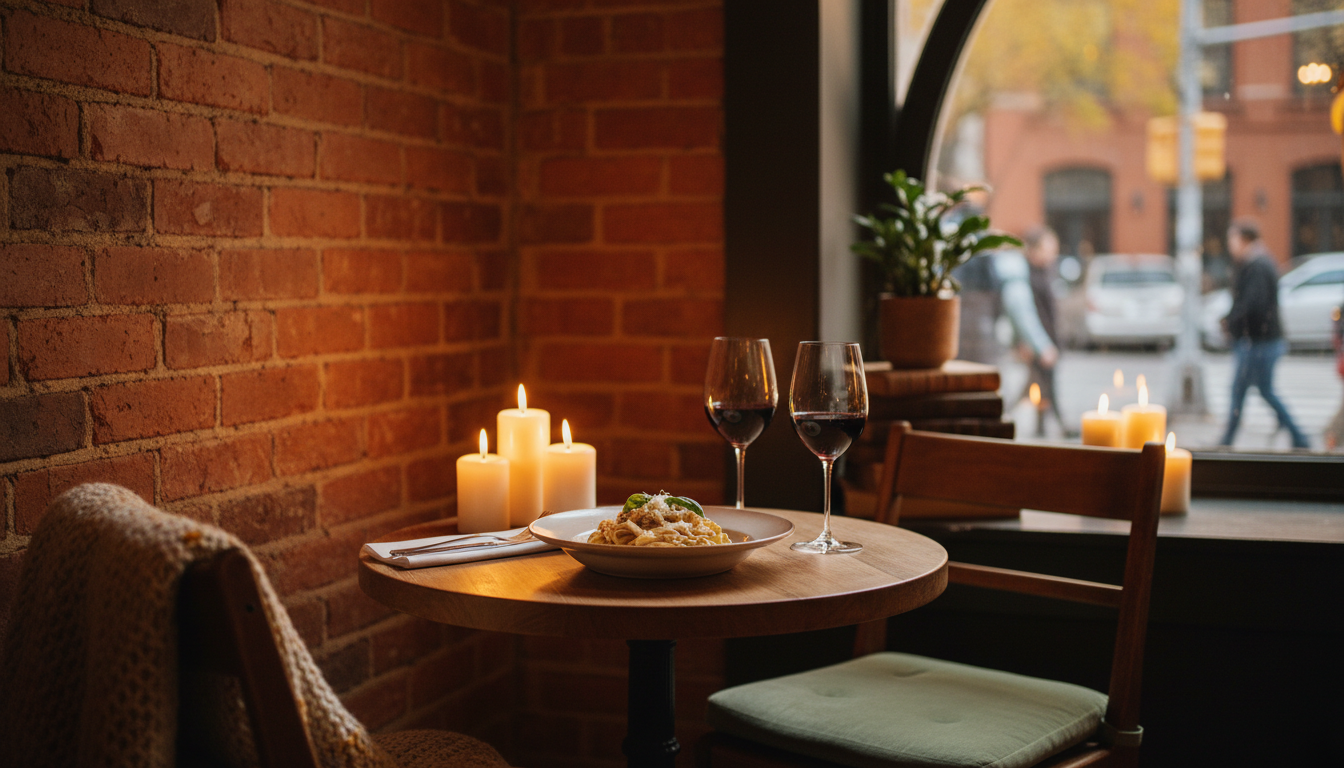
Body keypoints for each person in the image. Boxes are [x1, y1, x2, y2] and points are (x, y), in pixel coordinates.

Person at [1218, 218, 1310, 448]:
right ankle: (1297, 436)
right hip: (1261, 340)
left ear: (1244, 239)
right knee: (1262, 390)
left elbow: (1253, 305)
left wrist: (1231, 321)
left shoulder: (1257, 265)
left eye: (1233, 238)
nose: (1230, 244)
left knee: (1242, 391)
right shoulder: (1255, 262)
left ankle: (1226, 442)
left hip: (1257, 342)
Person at [1016, 226, 1067, 437]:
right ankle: (1058, 425)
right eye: (1048, 247)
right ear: (1034, 250)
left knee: (1039, 384)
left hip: (1048, 339)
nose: (1053, 252)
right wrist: (1030, 343)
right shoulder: (1026, 276)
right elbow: (1024, 315)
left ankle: (1044, 426)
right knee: (1043, 384)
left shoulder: (1047, 271)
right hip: (1040, 341)